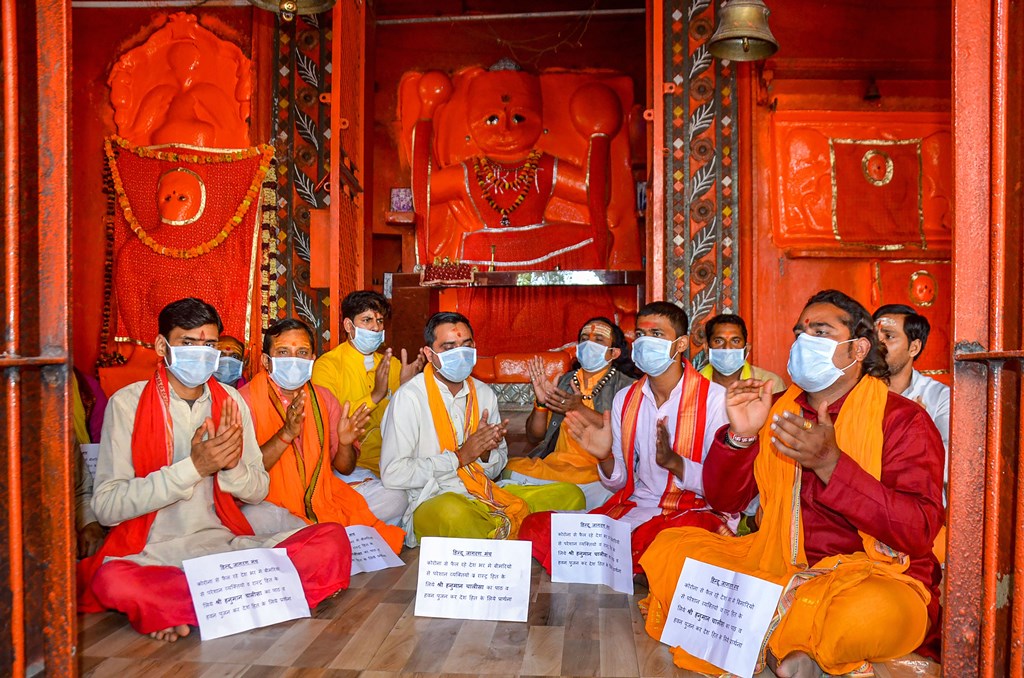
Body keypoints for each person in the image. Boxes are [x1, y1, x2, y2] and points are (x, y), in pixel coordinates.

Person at [640, 290, 944, 677]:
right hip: (772, 563)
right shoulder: (775, 407)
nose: (803, 342)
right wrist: (741, 437)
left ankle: (764, 637)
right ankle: (789, 650)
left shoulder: (903, 420)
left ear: (858, 349)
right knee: (671, 548)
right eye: (800, 333)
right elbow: (724, 499)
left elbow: (917, 530)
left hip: (871, 576)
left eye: (820, 332)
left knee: (874, 613)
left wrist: (832, 465)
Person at [78, 298, 352, 642]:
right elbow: (107, 508)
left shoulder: (230, 400)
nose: (201, 353)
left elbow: (257, 490)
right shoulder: (128, 403)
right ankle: (252, 598)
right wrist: (194, 468)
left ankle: (177, 608)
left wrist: (231, 466)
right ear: (163, 346)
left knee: (332, 539)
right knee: (112, 581)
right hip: (155, 555)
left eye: (209, 345)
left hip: (223, 547)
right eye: (188, 343)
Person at [519, 301, 731, 574]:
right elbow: (618, 480)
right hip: (635, 508)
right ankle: (637, 565)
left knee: (676, 541)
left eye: (657, 335)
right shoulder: (626, 399)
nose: (645, 343)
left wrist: (675, 463)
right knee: (535, 527)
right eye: (641, 335)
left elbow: (724, 490)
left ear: (680, 344)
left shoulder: (714, 400)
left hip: (691, 513)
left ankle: (628, 561)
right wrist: (604, 456)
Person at [380, 311, 585, 546]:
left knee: (570, 496)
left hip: (484, 492)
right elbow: (393, 474)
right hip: (433, 498)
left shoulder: (484, 394)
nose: (460, 353)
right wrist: (459, 457)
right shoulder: (410, 398)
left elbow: (496, 465)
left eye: (466, 345)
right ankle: (517, 536)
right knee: (455, 515)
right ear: (429, 353)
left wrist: (486, 454)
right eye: (449, 347)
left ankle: (498, 534)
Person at [239, 318, 405, 554]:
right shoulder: (244, 400)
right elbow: (246, 473)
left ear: (312, 359)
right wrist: (285, 434)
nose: (294, 360)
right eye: (283, 352)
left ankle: (321, 538)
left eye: (302, 352)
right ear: (266, 360)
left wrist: (346, 444)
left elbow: (344, 468)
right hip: (272, 505)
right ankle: (332, 537)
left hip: (323, 498)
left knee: (395, 497)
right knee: (253, 519)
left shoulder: (323, 399)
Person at [505, 317, 638, 509]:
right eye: (584, 339)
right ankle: (565, 499)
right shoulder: (564, 381)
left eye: (598, 340)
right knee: (510, 469)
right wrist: (541, 403)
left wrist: (579, 408)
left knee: (614, 496)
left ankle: (554, 500)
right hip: (554, 467)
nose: (588, 344)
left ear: (614, 353)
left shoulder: (627, 387)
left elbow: (627, 432)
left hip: (596, 474)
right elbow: (534, 437)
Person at [312, 291, 419, 526]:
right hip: (350, 469)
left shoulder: (392, 366)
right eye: (367, 320)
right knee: (395, 501)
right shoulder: (327, 366)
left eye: (379, 321)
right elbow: (332, 423)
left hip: (391, 467)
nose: (375, 328)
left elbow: (406, 423)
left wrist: (408, 390)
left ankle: (344, 525)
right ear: (349, 325)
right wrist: (375, 396)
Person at [873, 304, 950, 489]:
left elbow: (948, 468)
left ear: (913, 347)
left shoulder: (939, 396)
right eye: (873, 337)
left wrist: (918, 430)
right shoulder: (855, 391)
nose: (877, 345)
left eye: (889, 336)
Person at [699, 313, 786, 393]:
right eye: (718, 341)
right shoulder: (693, 385)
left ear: (747, 349)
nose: (727, 348)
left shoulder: (769, 383)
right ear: (706, 348)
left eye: (735, 341)